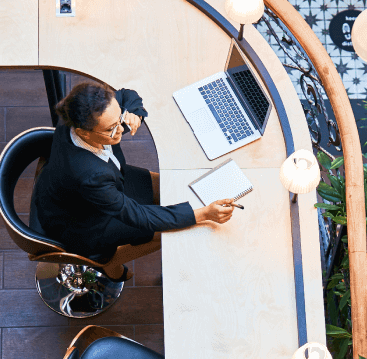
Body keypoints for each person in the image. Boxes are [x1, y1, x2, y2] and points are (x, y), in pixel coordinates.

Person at [31, 80, 235, 282]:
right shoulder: (89, 176)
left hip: (89, 185)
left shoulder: (81, 111)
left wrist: (134, 112)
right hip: (83, 224)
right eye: (111, 128)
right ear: (84, 132)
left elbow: (127, 95)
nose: (120, 129)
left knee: (163, 183)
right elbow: (138, 215)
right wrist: (203, 214)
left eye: (119, 118)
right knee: (161, 233)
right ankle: (109, 262)